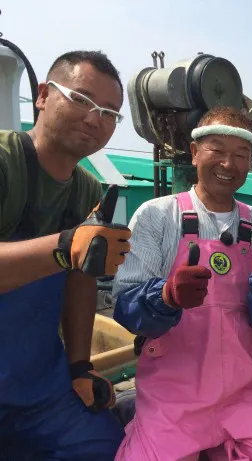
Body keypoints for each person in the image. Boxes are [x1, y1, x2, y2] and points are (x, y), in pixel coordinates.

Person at [112, 106, 252, 461]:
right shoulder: (156, 216)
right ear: (195, 153)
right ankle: (139, 414)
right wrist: (166, 297)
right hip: (174, 395)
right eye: (218, 150)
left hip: (249, 391)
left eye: (241, 155)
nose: (229, 164)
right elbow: (126, 307)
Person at [0, 50, 130, 459]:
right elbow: (66, 258)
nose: (95, 119)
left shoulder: (88, 193)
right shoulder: (5, 163)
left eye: (110, 113)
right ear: (42, 95)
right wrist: (61, 248)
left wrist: (80, 368)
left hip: (38, 387)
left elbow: (80, 282)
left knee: (105, 445)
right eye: (82, 99)